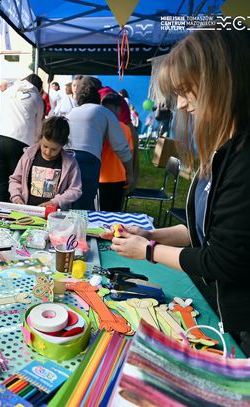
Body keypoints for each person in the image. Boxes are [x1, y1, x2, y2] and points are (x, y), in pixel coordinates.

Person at [110, 30, 250, 356]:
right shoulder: (221, 150)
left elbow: (222, 260)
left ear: (222, 83)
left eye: (187, 91)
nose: (184, 105)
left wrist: (148, 251)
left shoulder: (243, 158)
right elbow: (200, 230)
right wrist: (149, 233)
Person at [67, 76, 133, 210]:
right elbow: (121, 147)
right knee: (85, 206)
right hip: (89, 161)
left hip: (67, 159)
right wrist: (130, 173)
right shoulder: (104, 112)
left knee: (68, 202)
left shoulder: (71, 113)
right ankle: (82, 230)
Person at [9, 116, 82, 210]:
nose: (48, 152)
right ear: (40, 138)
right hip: (27, 211)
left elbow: (75, 190)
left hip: (54, 215)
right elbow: (15, 180)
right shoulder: (28, 156)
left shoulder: (70, 163)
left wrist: (54, 202)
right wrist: (16, 197)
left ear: (63, 145)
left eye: (54, 149)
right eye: (45, 146)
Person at [0, 73, 44, 201]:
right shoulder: (36, 98)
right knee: (17, 181)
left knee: (0, 182)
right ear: (39, 88)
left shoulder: (7, 92)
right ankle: (16, 211)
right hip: (20, 142)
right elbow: (38, 128)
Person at [98, 93, 134, 212]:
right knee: (114, 212)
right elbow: (130, 153)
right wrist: (130, 173)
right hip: (117, 177)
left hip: (103, 177)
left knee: (99, 212)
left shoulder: (99, 126)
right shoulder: (125, 128)